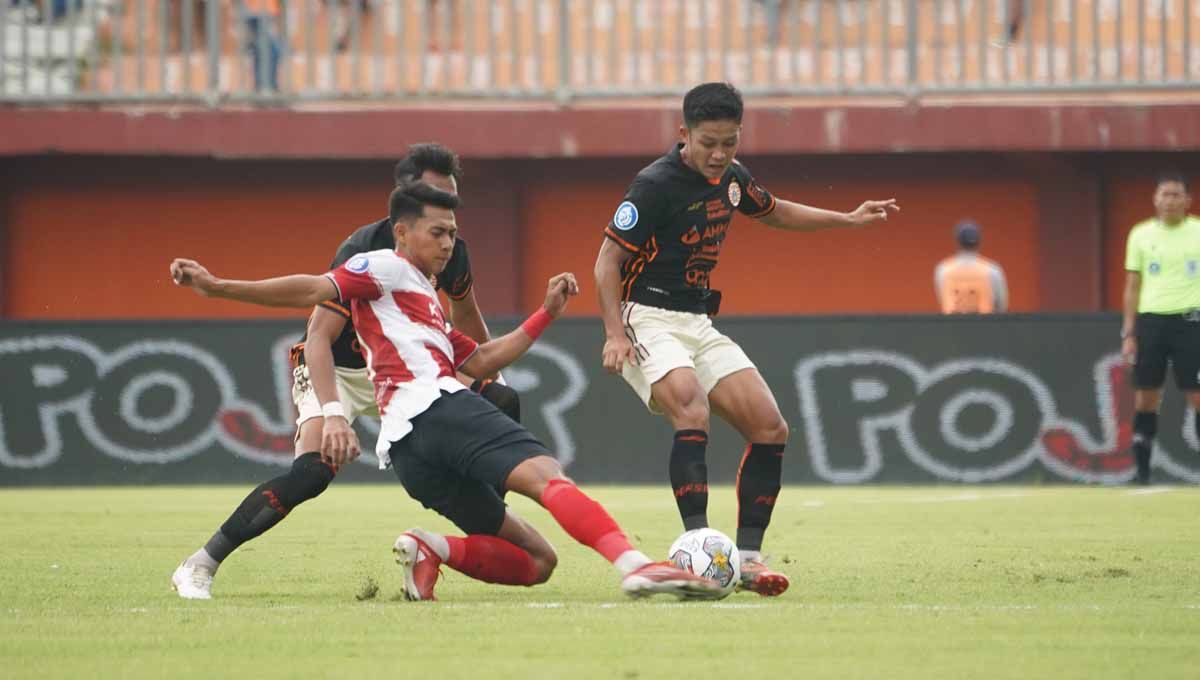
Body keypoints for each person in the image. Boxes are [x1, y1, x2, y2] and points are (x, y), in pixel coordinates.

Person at [171, 180, 718, 601]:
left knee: (537, 560)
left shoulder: (422, 299)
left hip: (411, 452)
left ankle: (432, 547)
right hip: (434, 409)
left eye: (453, 233)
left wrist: (546, 314)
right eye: (438, 231)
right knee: (548, 477)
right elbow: (314, 291)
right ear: (402, 231)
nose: (449, 242)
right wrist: (219, 286)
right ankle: (635, 565)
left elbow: (480, 357)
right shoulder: (382, 264)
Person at [171, 143, 519, 600]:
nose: (447, 216)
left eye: (452, 200)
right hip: (341, 368)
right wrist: (334, 412)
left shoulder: (450, 250)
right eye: (436, 198)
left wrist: (490, 375)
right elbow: (318, 335)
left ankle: (486, 532)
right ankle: (202, 562)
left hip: (403, 373)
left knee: (501, 399)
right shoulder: (363, 250)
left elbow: (467, 318)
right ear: (402, 204)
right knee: (312, 473)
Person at [594, 81, 899, 597]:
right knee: (691, 409)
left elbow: (774, 210)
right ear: (683, 134)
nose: (718, 154)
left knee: (770, 425)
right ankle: (697, 550)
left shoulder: (732, 180)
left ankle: (750, 560)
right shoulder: (655, 184)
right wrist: (614, 333)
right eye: (708, 142)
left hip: (696, 321)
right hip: (645, 315)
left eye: (729, 143)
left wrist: (846, 218)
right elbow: (607, 260)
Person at [1120, 172, 1200, 485]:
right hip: (1152, 321)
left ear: (1187, 200)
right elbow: (1132, 287)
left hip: (1192, 321)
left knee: (1196, 395)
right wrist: (1129, 333)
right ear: (1155, 199)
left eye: (1176, 195)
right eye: (1164, 194)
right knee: (1146, 397)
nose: (1170, 200)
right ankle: (1141, 472)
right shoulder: (1140, 234)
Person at [934, 220, 1009, 314]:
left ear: (957, 241)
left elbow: (943, 299)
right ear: (979, 241)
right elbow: (1001, 306)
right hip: (985, 326)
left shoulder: (943, 270)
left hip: (952, 327)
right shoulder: (993, 270)